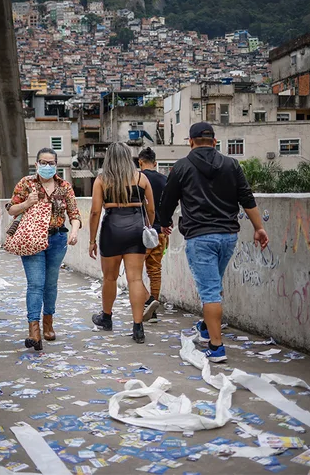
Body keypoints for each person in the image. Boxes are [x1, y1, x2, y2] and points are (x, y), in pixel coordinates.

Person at [159, 122, 269, 363]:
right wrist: (259, 227)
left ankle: (216, 347)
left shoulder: (182, 166)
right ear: (215, 141)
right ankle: (208, 328)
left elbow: (168, 200)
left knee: (210, 292)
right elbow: (246, 198)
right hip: (228, 237)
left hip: (200, 237)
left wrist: (163, 222)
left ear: (190, 141)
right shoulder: (232, 164)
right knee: (214, 284)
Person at [7, 148, 81, 351]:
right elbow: (11, 209)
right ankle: (34, 330)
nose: (47, 166)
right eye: (43, 162)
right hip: (31, 239)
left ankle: (48, 323)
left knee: (51, 284)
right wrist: (27, 203)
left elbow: (74, 213)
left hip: (57, 239)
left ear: (56, 165)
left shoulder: (64, 186)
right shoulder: (26, 183)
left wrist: (74, 231)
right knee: (35, 284)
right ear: (36, 163)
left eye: (51, 163)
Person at [88, 142, 156, 343]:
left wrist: (92, 240)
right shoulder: (141, 178)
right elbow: (151, 210)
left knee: (110, 278)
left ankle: (107, 318)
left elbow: (94, 212)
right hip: (136, 228)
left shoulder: (101, 180)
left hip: (111, 229)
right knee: (135, 279)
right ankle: (138, 328)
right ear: (129, 157)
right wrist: (149, 226)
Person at [137, 147, 168, 323]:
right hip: (160, 233)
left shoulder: (138, 180)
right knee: (155, 271)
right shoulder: (165, 179)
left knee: (134, 273)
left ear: (140, 162)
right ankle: (153, 308)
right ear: (155, 163)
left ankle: (148, 301)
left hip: (141, 232)